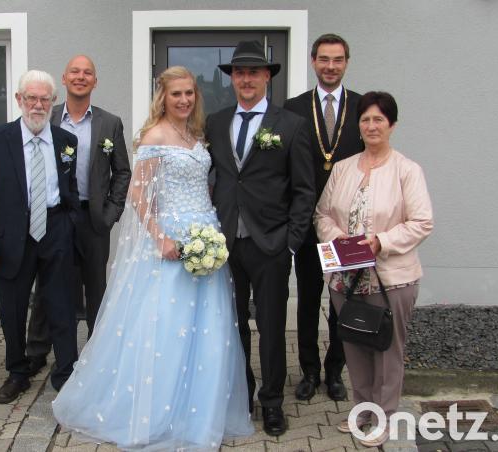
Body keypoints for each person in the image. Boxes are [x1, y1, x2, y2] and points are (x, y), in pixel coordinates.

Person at [53, 66, 253, 450]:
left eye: (189, 94)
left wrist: (210, 231)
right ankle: (157, 411)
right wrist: (161, 238)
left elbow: (202, 187)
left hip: (205, 238)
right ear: (163, 97)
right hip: (170, 242)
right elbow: (138, 195)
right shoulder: (155, 136)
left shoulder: (195, 134)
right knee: (167, 328)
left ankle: (199, 410)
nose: (183, 100)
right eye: (176, 94)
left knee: (207, 329)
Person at [206, 40, 315, 436]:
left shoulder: (291, 125)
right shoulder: (216, 123)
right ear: (232, 79)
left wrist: (291, 240)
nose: (246, 79)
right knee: (231, 326)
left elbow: (304, 190)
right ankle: (241, 395)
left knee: (270, 328)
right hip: (225, 244)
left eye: (254, 72)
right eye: (239, 73)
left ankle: (271, 402)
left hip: (271, 245)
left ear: (267, 77)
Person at [314, 91, 433, 448]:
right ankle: (362, 411)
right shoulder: (343, 168)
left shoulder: (407, 170)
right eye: (365, 120)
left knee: (387, 350)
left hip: (391, 279)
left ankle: (385, 416)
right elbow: (322, 214)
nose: (371, 126)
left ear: (392, 125)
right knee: (354, 346)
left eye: (378, 119)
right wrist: (339, 241)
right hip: (345, 280)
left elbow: (422, 222)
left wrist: (380, 242)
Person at [0, 70, 79, 403]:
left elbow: (69, 188)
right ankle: (17, 372)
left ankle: (65, 372)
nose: (38, 105)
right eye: (32, 98)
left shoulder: (65, 141)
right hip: (10, 237)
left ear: (53, 101)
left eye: (45, 99)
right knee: (13, 310)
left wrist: (70, 224)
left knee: (62, 306)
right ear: (19, 100)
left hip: (55, 230)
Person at [26, 55, 131, 375]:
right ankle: (37, 350)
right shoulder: (48, 116)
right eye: (75, 71)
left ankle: (96, 351)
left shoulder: (109, 123)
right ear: (64, 78)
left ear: (95, 82)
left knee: (95, 286)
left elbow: (122, 172)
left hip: (93, 219)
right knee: (48, 285)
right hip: (56, 216)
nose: (81, 76)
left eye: (88, 73)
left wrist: (110, 214)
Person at [283, 33, 364, 402]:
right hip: (305, 226)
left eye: (338, 60)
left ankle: (335, 371)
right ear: (313, 61)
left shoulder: (363, 107)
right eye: (324, 59)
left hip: (348, 229)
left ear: (346, 63)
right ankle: (309, 372)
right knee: (308, 298)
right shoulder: (293, 109)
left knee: (342, 301)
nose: (331, 66)